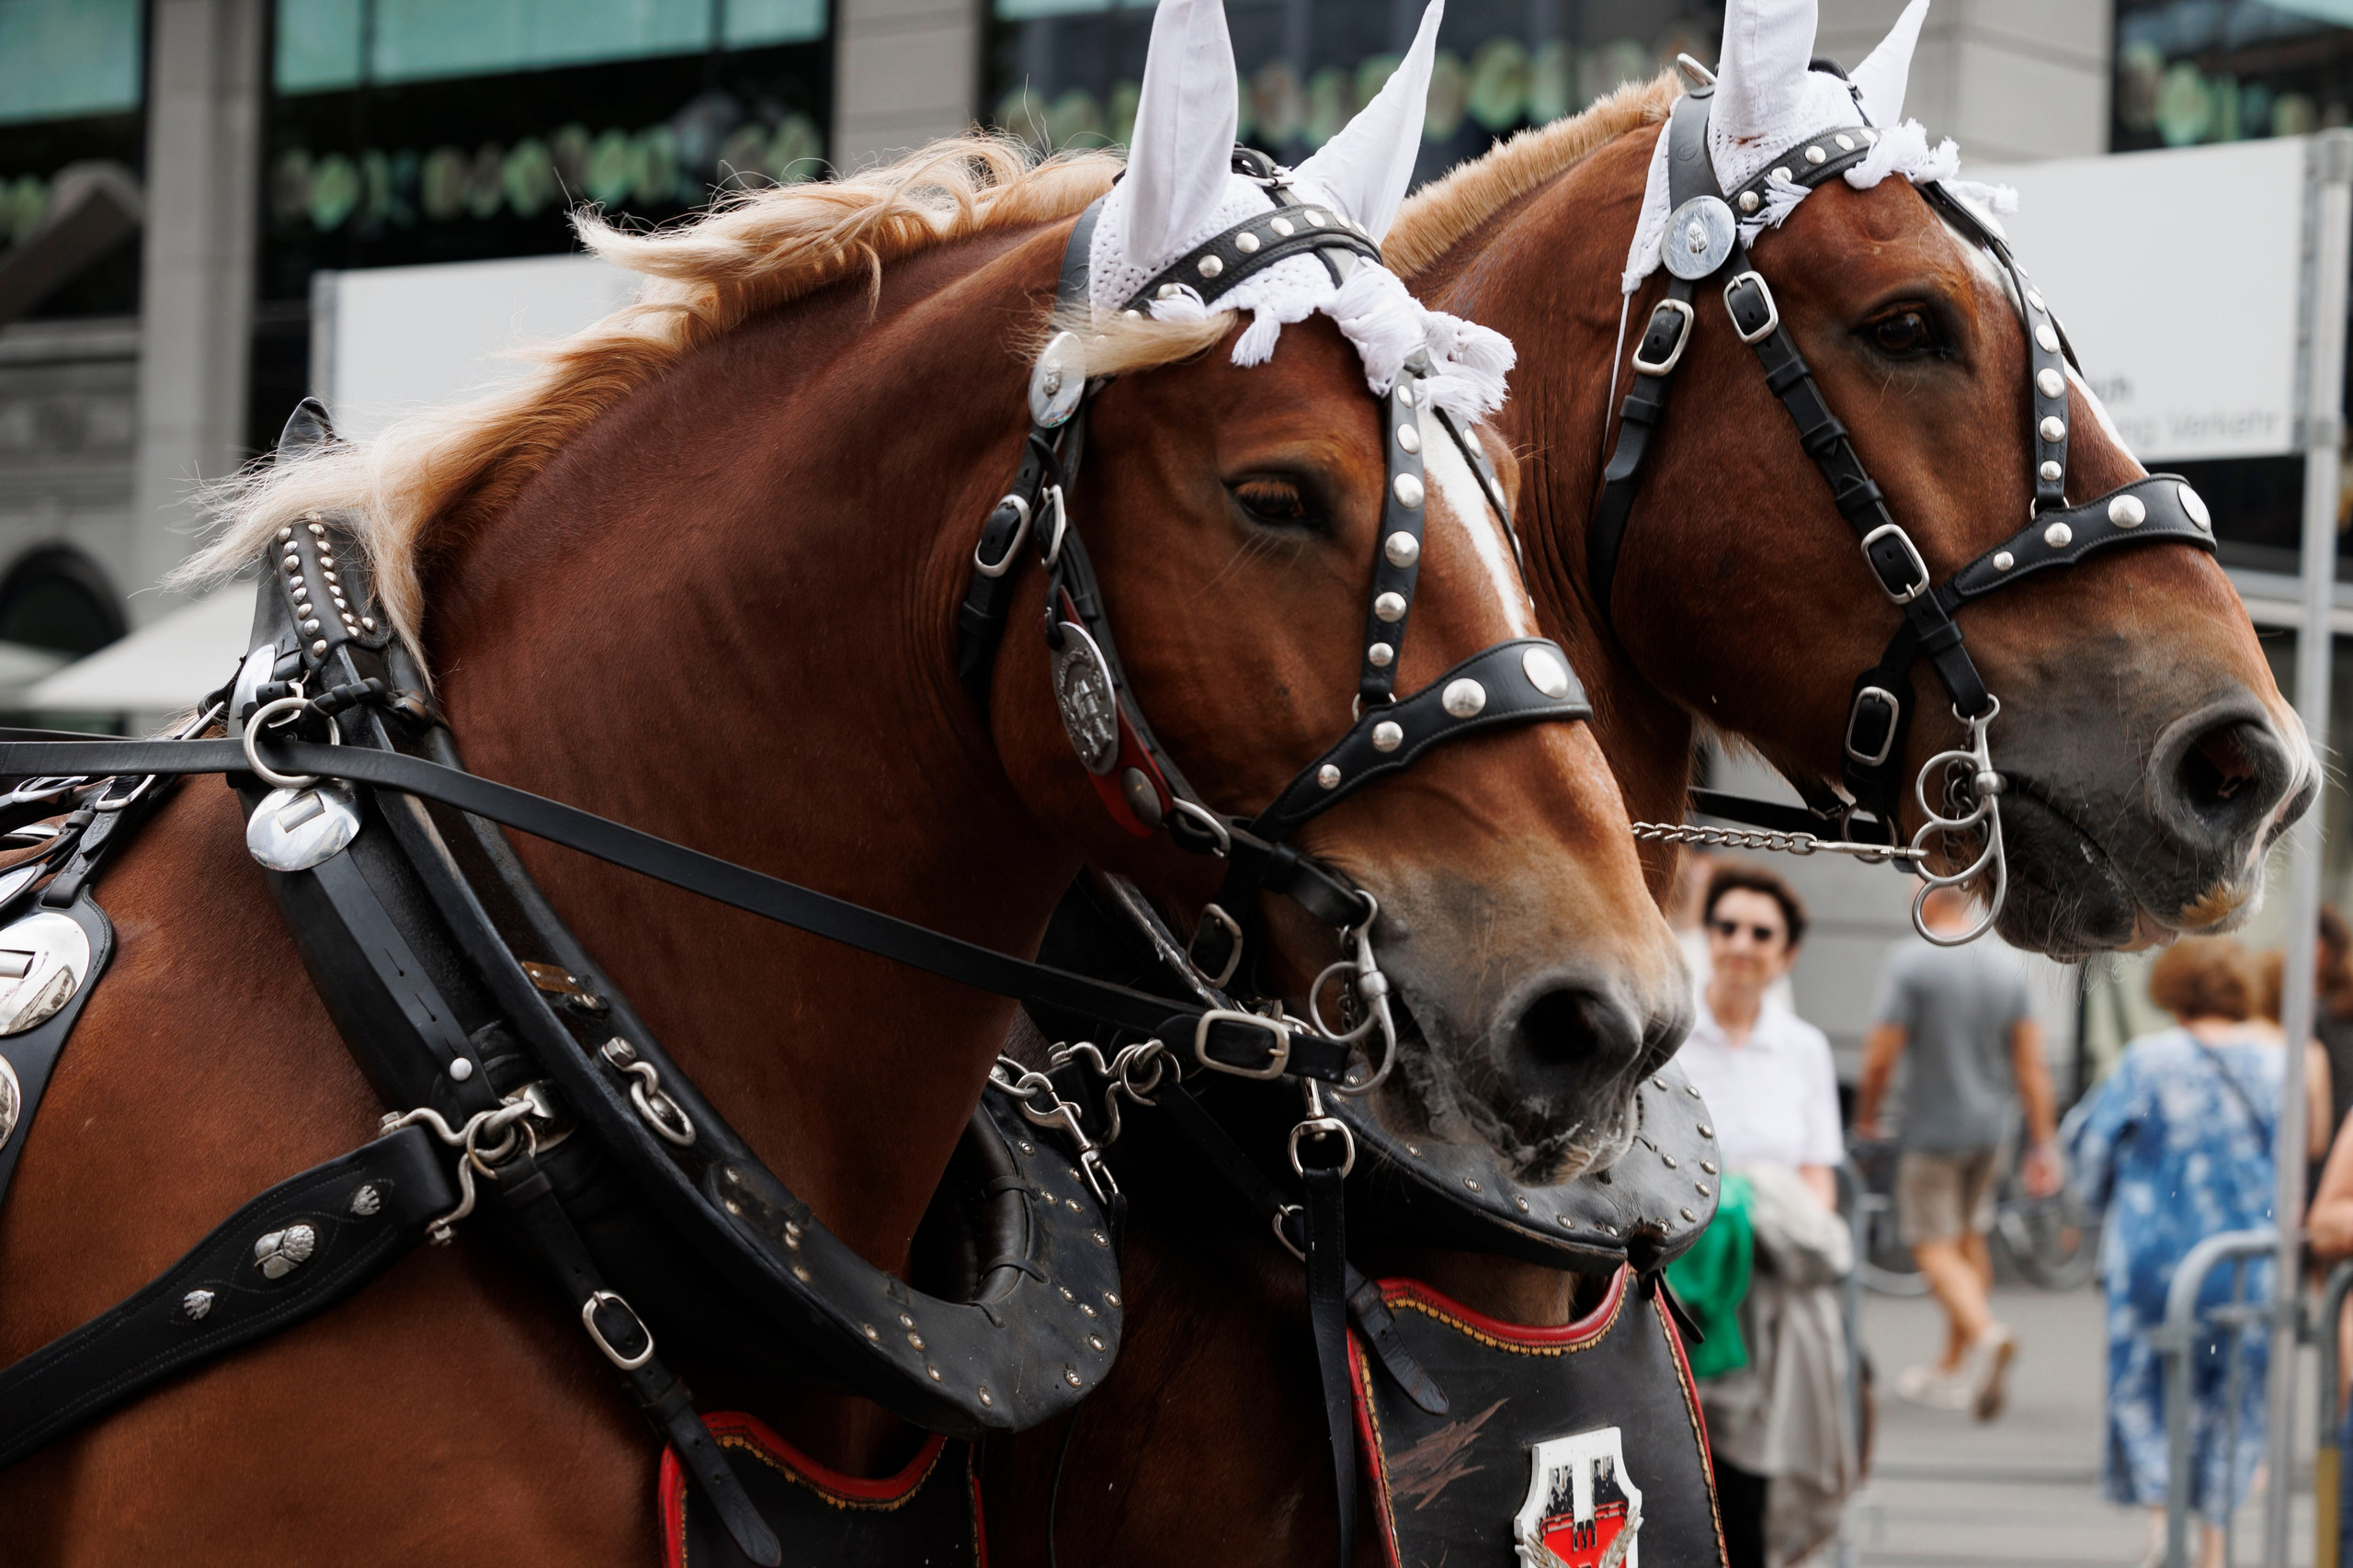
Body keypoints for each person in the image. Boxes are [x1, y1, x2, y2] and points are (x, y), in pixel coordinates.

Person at [2065, 938, 2326, 1568]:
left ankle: (2163, 1519)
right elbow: (2300, 1159)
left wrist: (2097, 1204)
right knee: (2236, 1395)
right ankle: (2213, 1544)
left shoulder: (2146, 1060)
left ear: (2172, 988)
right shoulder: (2277, 1065)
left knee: (2147, 1384)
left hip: (2155, 1257)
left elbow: (2091, 1151)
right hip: (2246, 1261)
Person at [1673, 862, 1847, 1568]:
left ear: (1787, 954)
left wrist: (1765, 1215)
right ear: (1707, 936)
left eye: (1761, 932)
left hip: (1769, 1285)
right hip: (1682, 1285)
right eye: (1727, 926)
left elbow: (1818, 1179)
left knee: (1763, 1463)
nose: (1741, 943)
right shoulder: (1672, 1037)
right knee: (1687, 1456)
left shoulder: (1803, 1049)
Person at [1854, 882, 2056, 1422]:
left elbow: (1879, 1057)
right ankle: (1951, 1365)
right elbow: (2031, 1065)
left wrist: (1868, 1120)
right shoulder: (2007, 964)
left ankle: (1987, 1334)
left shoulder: (1911, 962)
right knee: (1968, 1238)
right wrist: (2044, 1143)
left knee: (1932, 1246)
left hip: (1930, 1130)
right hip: (1993, 1132)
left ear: (1933, 895)